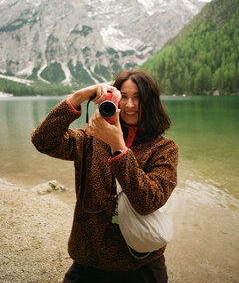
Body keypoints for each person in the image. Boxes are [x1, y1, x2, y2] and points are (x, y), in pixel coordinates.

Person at [31, 70, 178, 283]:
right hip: (89, 260)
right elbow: (42, 140)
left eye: (138, 97)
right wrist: (78, 97)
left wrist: (118, 148)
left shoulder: (164, 148)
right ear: (112, 101)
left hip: (140, 264)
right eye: (123, 97)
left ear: (151, 101)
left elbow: (149, 201)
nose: (129, 105)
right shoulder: (89, 139)